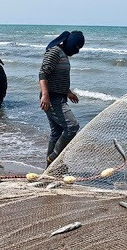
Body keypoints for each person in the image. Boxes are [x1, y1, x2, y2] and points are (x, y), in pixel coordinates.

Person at [39, 31, 85, 168]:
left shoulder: (63, 54)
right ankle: (54, 158)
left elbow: (58, 77)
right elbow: (43, 74)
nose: (77, 51)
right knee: (72, 126)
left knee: (57, 133)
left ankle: (50, 168)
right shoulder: (55, 52)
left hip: (59, 96)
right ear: (71, 43)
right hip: (52, 98)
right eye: (76, 47)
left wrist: (68, 92)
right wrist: (45, 95)